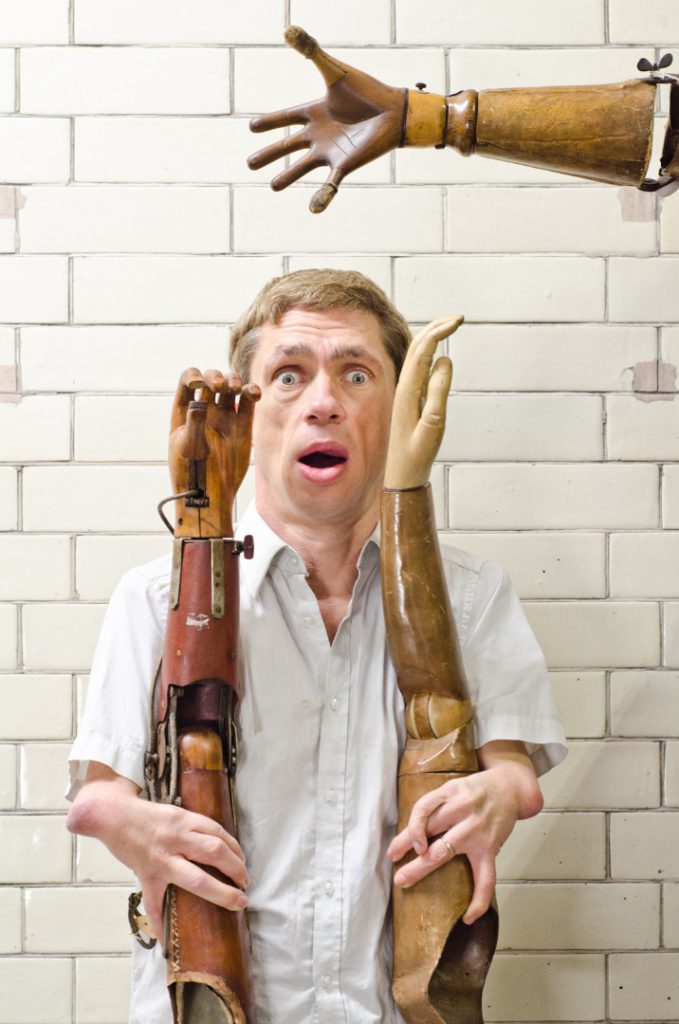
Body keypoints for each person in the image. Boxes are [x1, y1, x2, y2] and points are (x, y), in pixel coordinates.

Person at [66, 268, 567, 1023]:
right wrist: (122, 820)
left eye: (356, 374)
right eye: (289, 375)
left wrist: (495, 793)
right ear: (247, 409)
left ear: (399, 409)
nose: (323, 402)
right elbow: (98, 798)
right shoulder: (155, 598)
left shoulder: (471, 596)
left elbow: (514, 776)